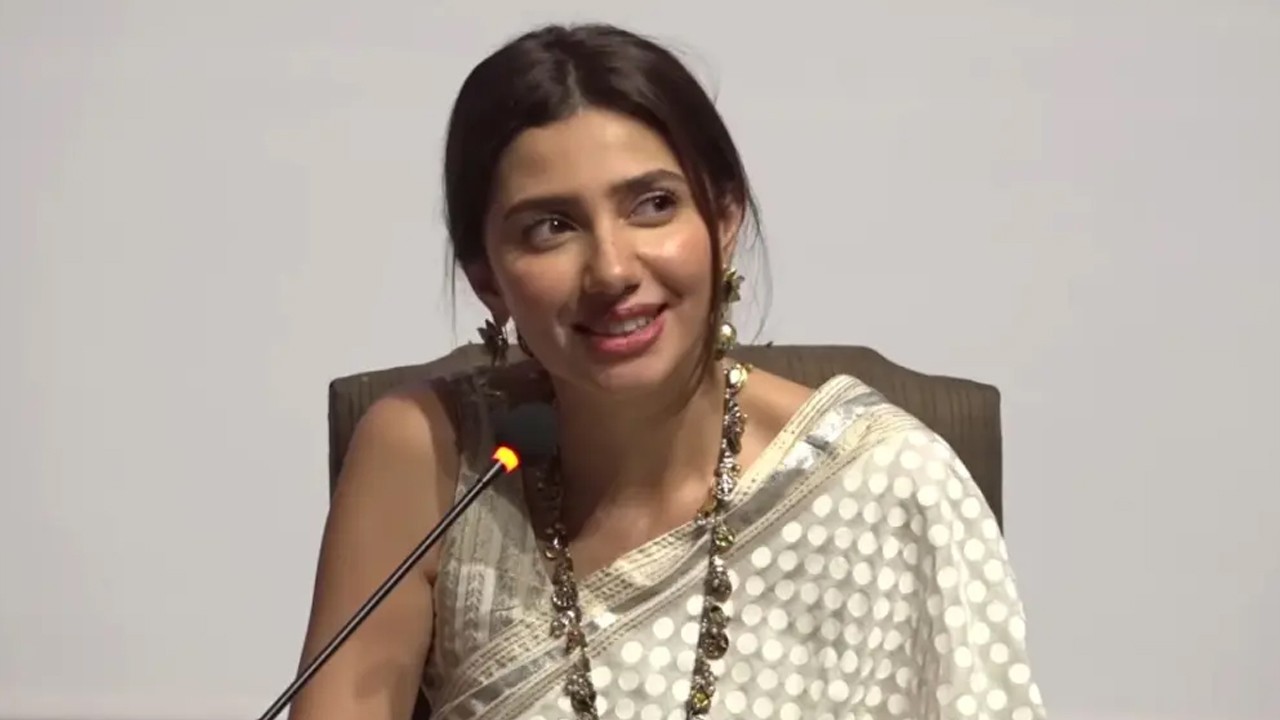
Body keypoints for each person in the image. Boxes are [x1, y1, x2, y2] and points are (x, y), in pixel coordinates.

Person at [291, 22, 1048, 720]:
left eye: (653, 205)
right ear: (488, 277)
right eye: (551, 227)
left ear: (723, 220)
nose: (613, 270)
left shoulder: (893, 484)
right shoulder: (430, 457)